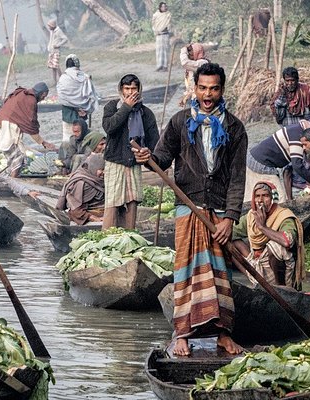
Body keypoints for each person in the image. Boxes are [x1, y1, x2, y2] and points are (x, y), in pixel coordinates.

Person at [133, 63, 247, 357]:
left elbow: (237, 178)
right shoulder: (179, 122)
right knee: (185, 272)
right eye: (203, 88)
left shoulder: (235, 128)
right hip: (188, 208)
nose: (208, 95)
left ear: (222, 90)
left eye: (214, 88)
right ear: (194, 89)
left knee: (221, 275)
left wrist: (231, 218)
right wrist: (148, 158)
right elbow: (161, 156)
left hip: (219, 211)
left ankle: (222, 334)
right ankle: (182, 333)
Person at [102, 73, 159, 230]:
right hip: (115, 162)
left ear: (139, 90)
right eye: (127, 88)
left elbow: (154, 142)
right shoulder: (112, 107)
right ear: (121, 89)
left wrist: (148, 153)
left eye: (134, 88)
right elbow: (109, 127)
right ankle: (107, 239)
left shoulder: (145, 113)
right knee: (113, 203)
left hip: (134, 164)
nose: (131, 92)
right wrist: (126, 107)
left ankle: (128, 236)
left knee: (132, 202)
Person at [232, 181, 305, 288]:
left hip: (281, 272)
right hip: (256, 266)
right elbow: (231, 232)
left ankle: (280, 287)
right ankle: (254, 279)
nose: (260, 200)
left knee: (276, 246)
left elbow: (287, 241)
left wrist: (262, 227)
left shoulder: (284, 216)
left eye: (265, 196)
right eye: (257, 196)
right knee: (227, 241)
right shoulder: (251, 216)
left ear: (272, 198)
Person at [245, 116, 310, 203]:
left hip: (254, 158)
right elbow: (297, 166)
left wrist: (290, 200)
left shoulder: (299, 127)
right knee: (278, 197)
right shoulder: (299, 136)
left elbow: (287, 170)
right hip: (260, 163)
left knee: (257, 197)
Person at [0, 82, 57, 177]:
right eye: (44, 96)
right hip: (8, 125)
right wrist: (43, 142)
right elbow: (30, 124)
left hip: (2, 122)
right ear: (42, 94)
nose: (43, 99)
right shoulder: (31, 100)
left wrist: (43, 142)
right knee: (18, 157)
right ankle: (13, 181)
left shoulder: (22, 93)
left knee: (13, 156)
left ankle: (11, 178)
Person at [57, 54, 99, 143]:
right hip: (81, 111)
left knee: (67, 137)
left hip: (67, 113)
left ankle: (68, 154)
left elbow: (61, 96)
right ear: (77, 64)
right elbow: (90, 95)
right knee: (82, 135)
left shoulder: (63, 78)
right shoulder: (84, 77)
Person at [56, 153, 105, 225]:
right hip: (85, 216)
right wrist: (93, 218)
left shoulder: (101, 179)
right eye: (101, 170)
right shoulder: (81, 183)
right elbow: (76, 210)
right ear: (94, 168)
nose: (104, 173)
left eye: (106, 170)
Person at [179, 43, 208, 107]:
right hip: (194, 99)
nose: (189, 56)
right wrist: (185, 98)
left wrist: (183, 52)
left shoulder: (203, 63)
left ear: (197, 52)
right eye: (189, 54)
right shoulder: (191, 67)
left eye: (191, 54)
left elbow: (184, 63)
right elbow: (191, 87)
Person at [46, 19, 68, 85]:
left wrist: (58, 45)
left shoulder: (58, 31)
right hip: (51, 51)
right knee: (53, 67)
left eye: (49, 26)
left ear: (52, 26)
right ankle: (55, 81)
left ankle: (61, 80)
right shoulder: (51, 31)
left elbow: (65, 39)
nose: (49, 27)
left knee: (56, 66)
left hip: (56, 51)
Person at [151, 2, 172, 72]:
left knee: (165, 50)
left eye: (165, 7)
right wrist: (156, 31)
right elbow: (153, 24)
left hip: (165, 34)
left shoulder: (168, 14)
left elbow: (169, 24)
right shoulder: (156, 15)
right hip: (158, 35)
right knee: (159, 51)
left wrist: (167, 29)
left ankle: (165, 66)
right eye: (162, 7)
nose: (164, 8)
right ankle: (159, 66)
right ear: (160, 7)